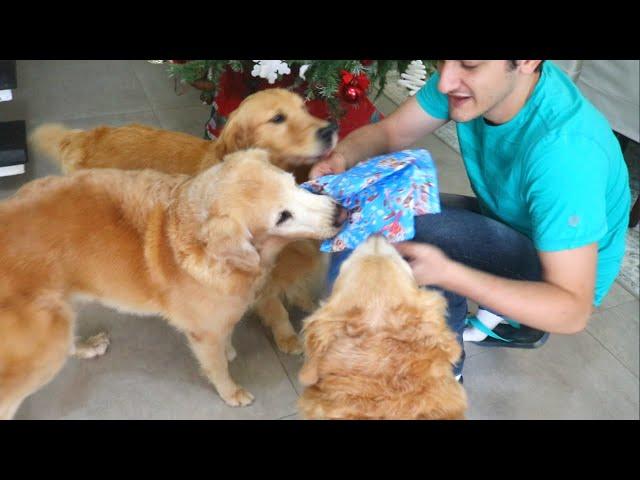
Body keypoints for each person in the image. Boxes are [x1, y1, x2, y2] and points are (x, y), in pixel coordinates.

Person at [310, 60, 631, 380]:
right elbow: (392, 131)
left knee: (419, 239)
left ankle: (444, 378)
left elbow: (572, 312)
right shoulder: (466, 82)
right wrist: (343, 157)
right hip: (520, 224)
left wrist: (451, 274)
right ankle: (496, 318)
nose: (446, 81)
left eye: (469, 64)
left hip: (560, 280)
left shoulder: (565, 154)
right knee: (391, 220)